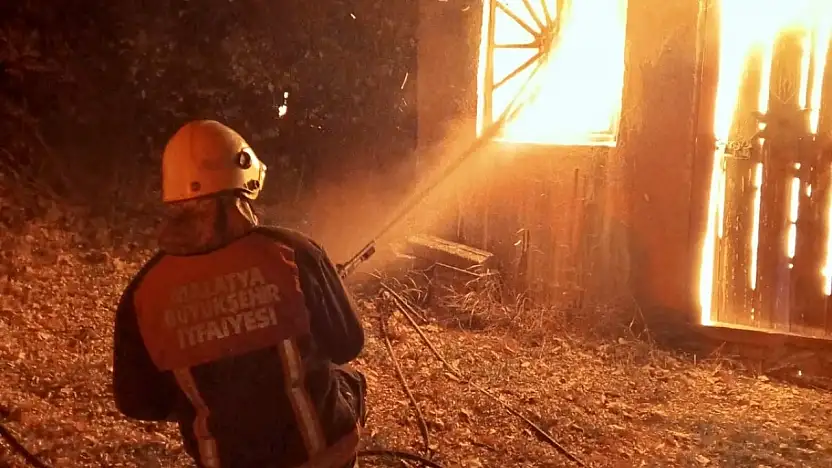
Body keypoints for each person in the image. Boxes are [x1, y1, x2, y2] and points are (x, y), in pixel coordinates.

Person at [112, 120, 367, 468]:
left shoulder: (144, 291)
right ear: (243, 185)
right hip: (322, 459)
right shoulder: (294, 254)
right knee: (352, 381)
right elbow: (347, 344)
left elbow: (138, 401)